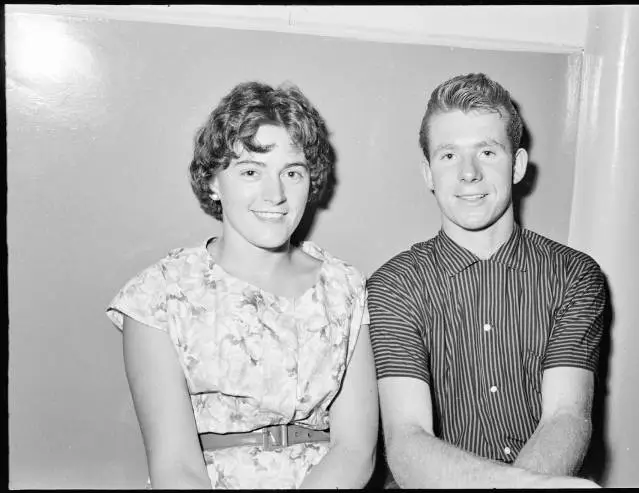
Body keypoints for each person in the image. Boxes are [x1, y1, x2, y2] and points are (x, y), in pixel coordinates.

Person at [106, 81, 378, 489]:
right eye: (251, 171)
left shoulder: (344, 287)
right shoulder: (158, 295)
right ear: (214, 181)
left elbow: (356, 452)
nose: (276, 194)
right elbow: (174, 466)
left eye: (292, 172)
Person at [367, 73, 606, 489]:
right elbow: (406, 440)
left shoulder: (575, 275)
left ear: (516, 165)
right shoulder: (393, 285)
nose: (469, 173)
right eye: (448, 156)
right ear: (427, 173)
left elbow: (567, 416)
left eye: (487, 152)